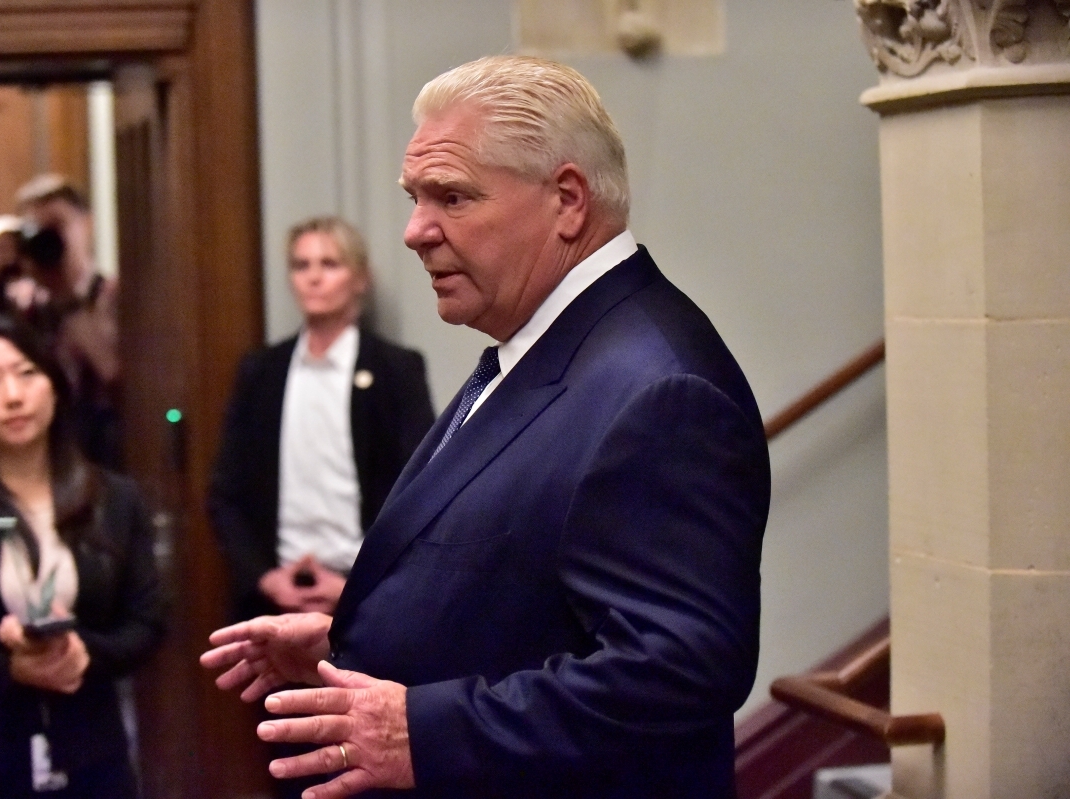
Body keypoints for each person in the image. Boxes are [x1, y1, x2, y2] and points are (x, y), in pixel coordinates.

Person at [201, 56, 771, 798]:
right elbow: (511, 577)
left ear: (567, 199)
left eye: (452, 197)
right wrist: (357, 644)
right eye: (414, 198)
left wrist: (422, 729)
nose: (414, 231)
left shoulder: (660, 389)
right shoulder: (545, 342)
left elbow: (677, 673)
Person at [0, 315, 164, 799]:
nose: (13, 396)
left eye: (27, 374)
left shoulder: (115, 500)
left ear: (55, 388)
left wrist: (82, 652)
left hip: (93, 750)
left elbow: (147, 624)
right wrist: (5, 668)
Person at [210, 216, 434, 623]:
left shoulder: (395, 370)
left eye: (329, 264)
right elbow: (226, 491)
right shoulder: (261, 371)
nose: (313, 278)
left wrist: (363, 581)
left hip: (369, 597)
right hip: (274, 599)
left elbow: (420, 490)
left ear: (360, 278)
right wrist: (263, 578)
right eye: (301, 265)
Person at [14, 175, 121, 469]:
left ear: (87, 224)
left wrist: (67, 298)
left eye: (57, 227)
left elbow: (113, 374)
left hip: (108, 460)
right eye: (38, 233)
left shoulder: (114, 298)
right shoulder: (25, 311)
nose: (49, 241)